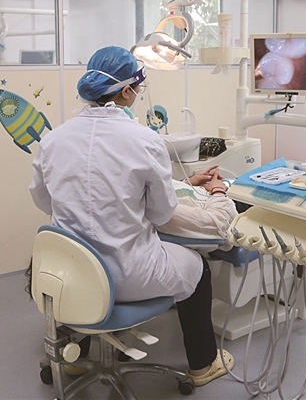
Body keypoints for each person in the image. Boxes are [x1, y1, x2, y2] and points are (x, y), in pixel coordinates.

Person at [29, 46, 234, 386]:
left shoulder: (53, 140)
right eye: (138, 88)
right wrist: (214, 193)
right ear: (127, 91)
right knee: (199, 269)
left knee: (77, 255)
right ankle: (203, 364)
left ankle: (76, 358)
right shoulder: (145, 140)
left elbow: (43, 200)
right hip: (129, 274)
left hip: (68, 273)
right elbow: (161, 212)